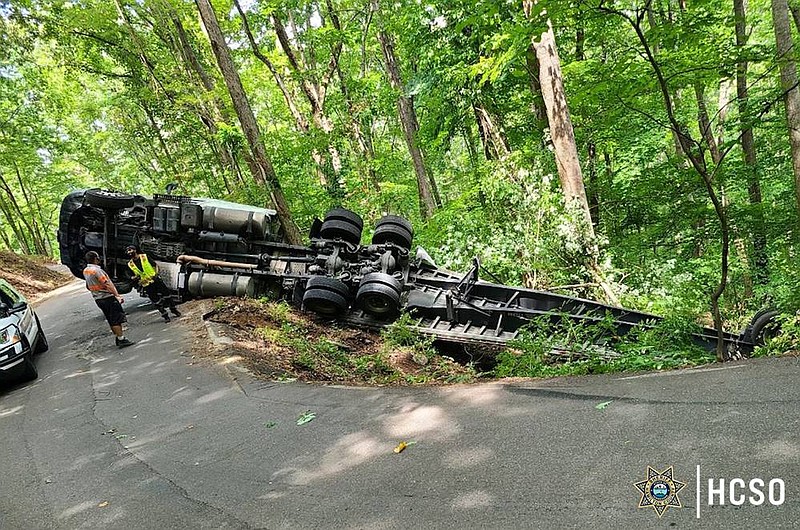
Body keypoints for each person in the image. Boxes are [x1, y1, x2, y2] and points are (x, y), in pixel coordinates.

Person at [83, 251, 134, 348]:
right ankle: (121, 339)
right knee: (116, 319)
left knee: (110, 319)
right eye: (98, 258)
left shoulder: (86, 270)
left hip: (98, 299)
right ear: (95, 259)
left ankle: (118, 338)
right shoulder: (97, 271)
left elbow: (88, 286)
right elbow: (107, 284)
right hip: (107, 298)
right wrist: (117, 295)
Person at [125, 245, 181, 322]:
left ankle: (174, 310)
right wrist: (132, 278)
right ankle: (165, 315)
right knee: (156, 301)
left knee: (167, 295)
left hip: (155, 280)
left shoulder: (144, 257)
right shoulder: (130, 264)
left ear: (135, 250)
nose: (129, 252)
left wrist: (156, 274)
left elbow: (155, 265)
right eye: (128, 251)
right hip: (146, 284)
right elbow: (128, 274)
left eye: (130, 250)